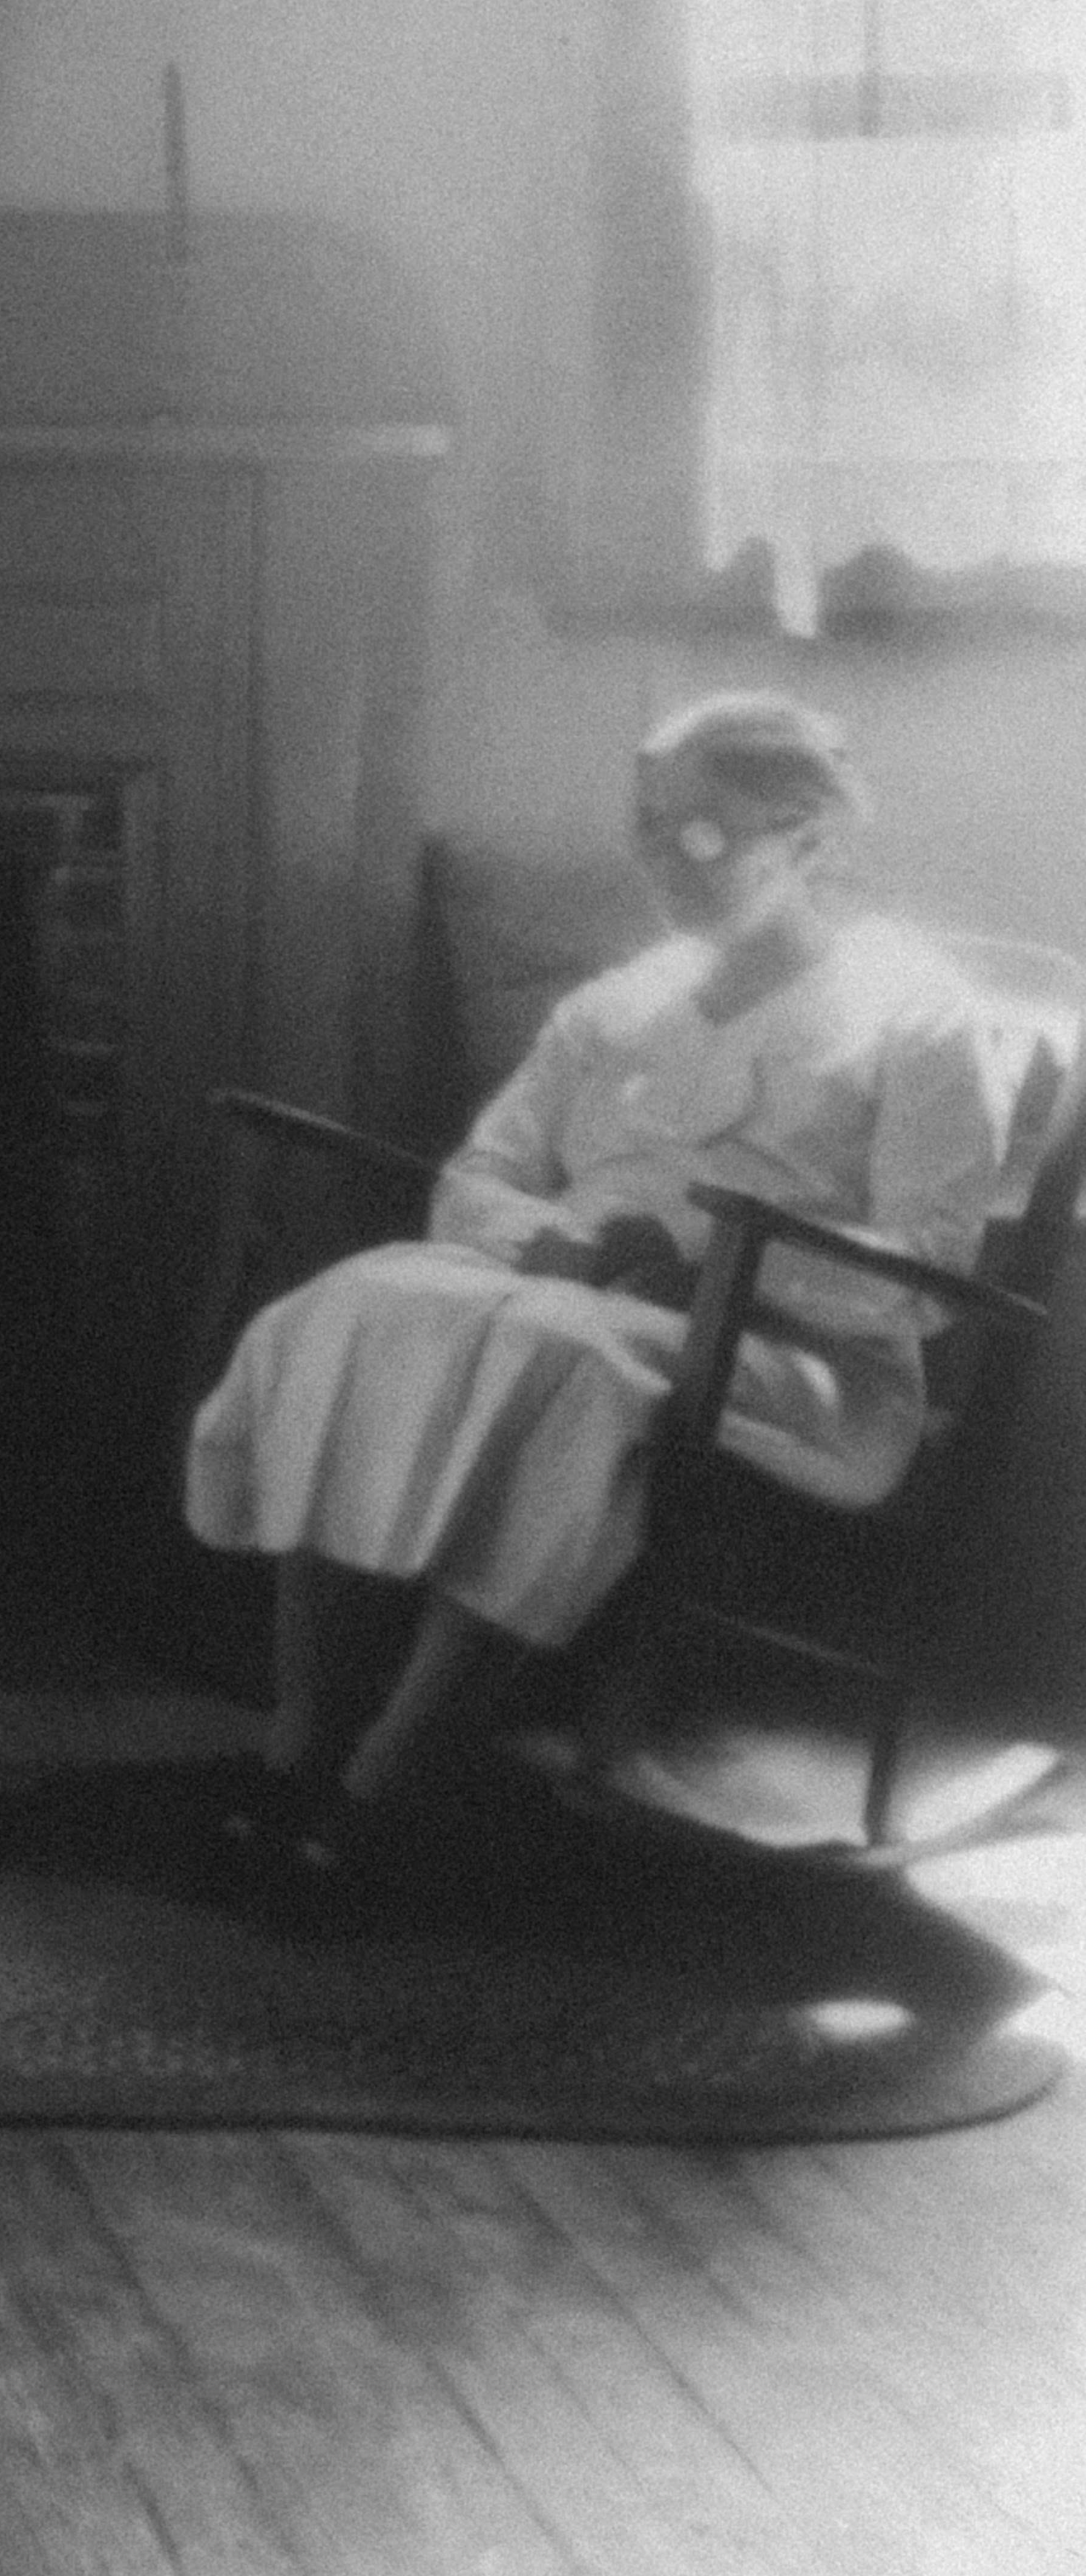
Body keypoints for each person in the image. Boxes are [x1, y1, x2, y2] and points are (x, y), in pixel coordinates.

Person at [184, 691, 1037, 1926]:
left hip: (799, 1354)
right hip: (576, 1296)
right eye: (650, 830)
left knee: (560, 1371)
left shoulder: (914, 1009)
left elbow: (927, 1257)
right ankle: (296, 1747)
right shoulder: (622, 1000)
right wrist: (553, 1239)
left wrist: (700, 1259)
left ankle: (389, 1785)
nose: (663, 863)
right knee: (353, 1303)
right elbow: (482, 1173)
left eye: (704, 838)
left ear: (807, 842)